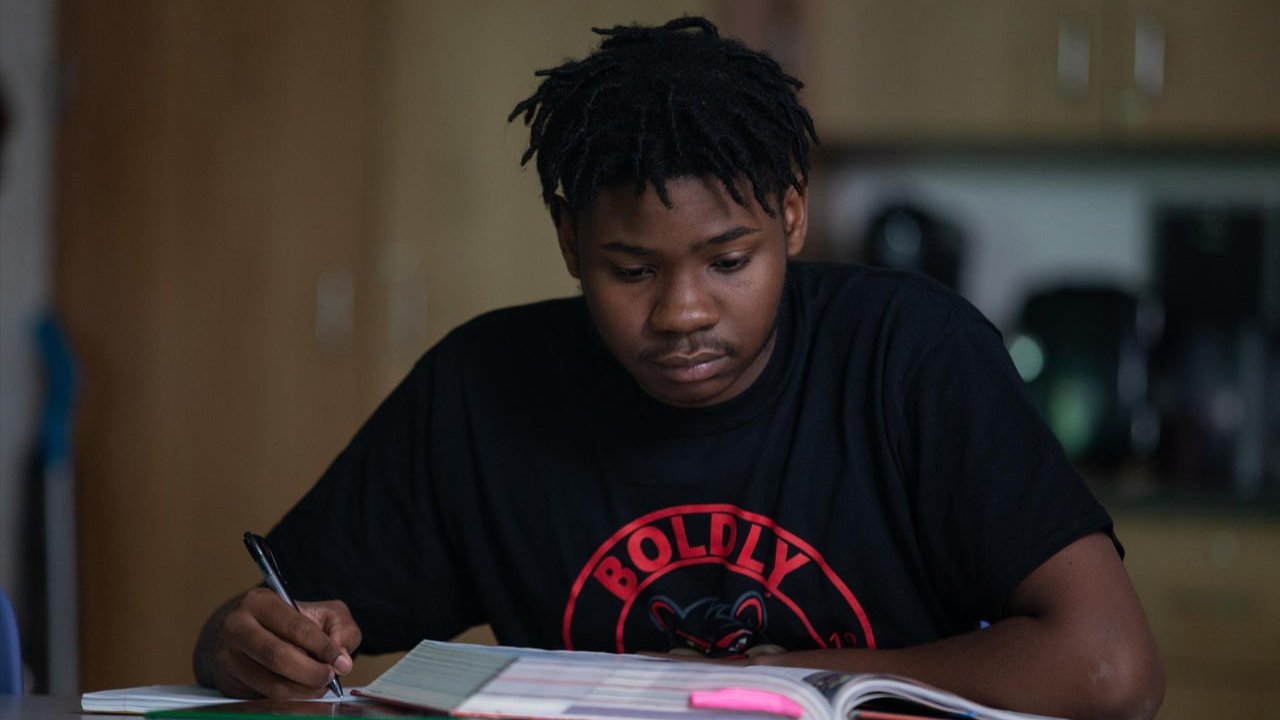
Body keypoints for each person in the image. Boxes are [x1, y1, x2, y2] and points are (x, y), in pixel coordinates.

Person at [193, 17, 1163, 720]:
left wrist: (802, 673)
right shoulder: (482, 386)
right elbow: (257, 628)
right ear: (570, 243)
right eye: (630, 270)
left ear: (790, 217)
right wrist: (251, 646)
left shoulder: (910, 355)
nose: (682, 313)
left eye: (727, 261)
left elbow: (1109, 667)